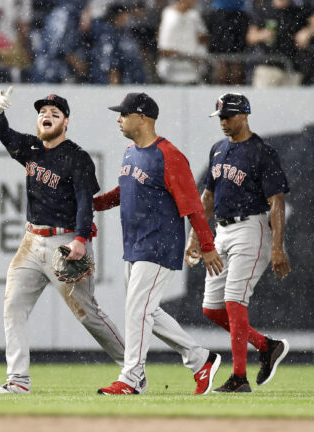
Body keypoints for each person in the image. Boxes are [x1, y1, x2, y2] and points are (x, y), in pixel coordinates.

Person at [0, 87, 128, 394]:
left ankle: (132, 370)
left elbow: (84, 203)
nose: (46, 117)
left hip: (65, 242)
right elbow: (3, 133)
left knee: (88, 314)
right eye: (42, 113)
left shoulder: (77, 158)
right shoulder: (31, 148)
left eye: (54, 114)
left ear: (66, 122)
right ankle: (18, 381)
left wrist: (80, 240)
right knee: (13, 307)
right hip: (31, 241)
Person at [94, 92, 224, 395]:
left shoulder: (170, 156)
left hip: (159, 244)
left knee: (138, 310)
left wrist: (206, 245)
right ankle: (200, 358)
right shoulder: (130, 152)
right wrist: (93, 205)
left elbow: (193, 206)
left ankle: (132, 377)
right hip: (135, 245)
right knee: (145, 311)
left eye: (123, 114)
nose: (119, 119)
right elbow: (122, 191)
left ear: (142, 118)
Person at [184, 93, 290, 393]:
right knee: (212, 309)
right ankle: (266, 346)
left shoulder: (262, 152)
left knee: (233, 302)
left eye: (228, 115)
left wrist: (277, 245)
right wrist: (195, 236)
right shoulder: (218, 149)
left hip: (251, 227)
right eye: (220, 116)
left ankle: (239, 378)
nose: (223, 121)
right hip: (222, 230)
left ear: (245, 115)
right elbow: (208, 197)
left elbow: (276, 201)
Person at [155, 0, 209, 84]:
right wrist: (186, 56)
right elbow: (164, 49)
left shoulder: (194, 15)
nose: (195, 1)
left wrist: (199, 57)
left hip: (194, 74)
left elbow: (203, 39)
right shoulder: (169, 14)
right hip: (171, 73)